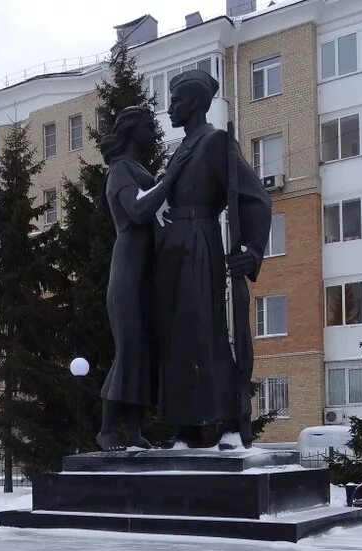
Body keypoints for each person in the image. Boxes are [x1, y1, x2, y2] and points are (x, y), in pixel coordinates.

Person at [152, 69, 271, 447]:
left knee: (207, 333)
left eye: (175, 101)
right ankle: (184, 426)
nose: (169, 108)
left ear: (195, 104)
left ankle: (228, 422)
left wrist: (252, 251)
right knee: (176, 339)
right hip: (174, 247)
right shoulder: (180, 150)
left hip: (202, 241)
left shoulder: (216, 142)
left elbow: (255, 197)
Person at [95, 105, 192, 451]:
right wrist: (170, 177)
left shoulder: (140, 169)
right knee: (128, 350)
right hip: (127, 273)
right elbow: (137, 210)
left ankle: (134, 430)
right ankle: (107, 430)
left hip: (147, 273)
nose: (154, 130)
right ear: (131, 129)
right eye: (149, 125)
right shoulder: (120, 170)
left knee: (143, 353)